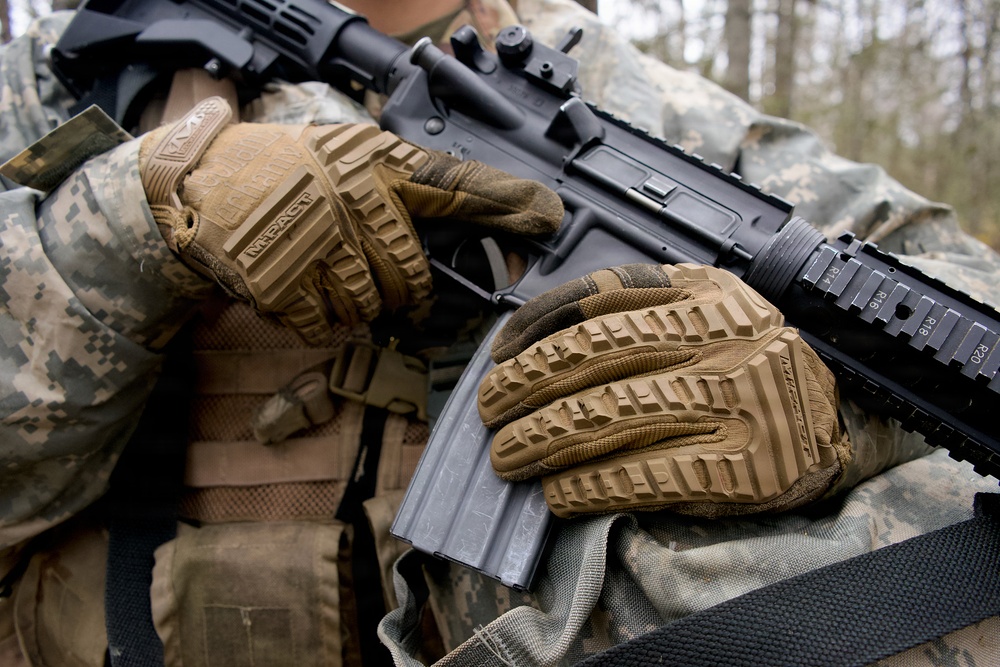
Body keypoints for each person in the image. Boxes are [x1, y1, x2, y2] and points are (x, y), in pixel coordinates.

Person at [0, 2, 996, 667]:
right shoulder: (65, 89)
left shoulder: (672, 122)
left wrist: (837, 404)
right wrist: (134, 215)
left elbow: (957, 309)